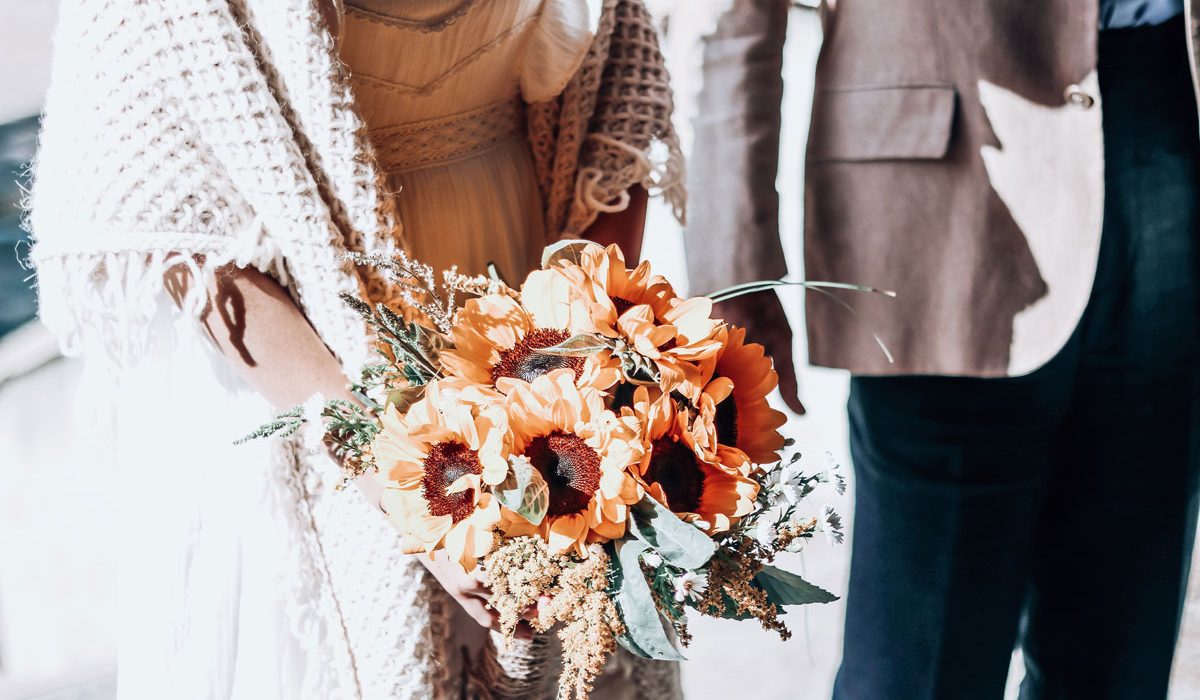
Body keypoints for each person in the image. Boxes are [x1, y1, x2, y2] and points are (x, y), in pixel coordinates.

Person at [28, 0, 683, 697]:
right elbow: (180, 222)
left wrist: (572, 382)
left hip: (526, 293)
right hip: (304, 368)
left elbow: (616, 119)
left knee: (562, 646)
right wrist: (404, 480)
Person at [687, 0, 1200, 697]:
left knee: (1120, 659)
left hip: (1170, 111)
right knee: (921, 667)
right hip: (940, 187)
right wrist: (732, 269)